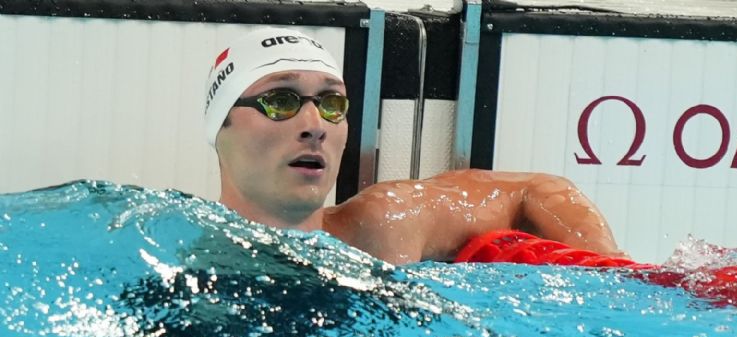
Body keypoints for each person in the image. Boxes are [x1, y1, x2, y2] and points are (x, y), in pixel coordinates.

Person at [204, 27, 625, 265]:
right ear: (219, 129)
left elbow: (536, 190)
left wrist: (608, 279)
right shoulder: (174, 253)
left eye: (333, 104)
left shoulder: (385, 227)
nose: (315, 126)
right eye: (281, 101)